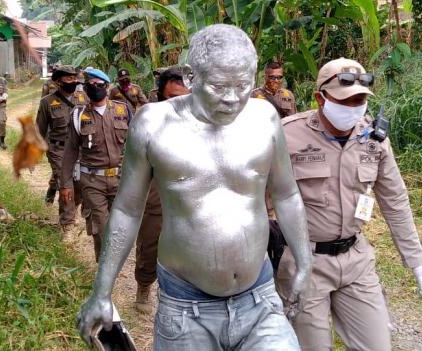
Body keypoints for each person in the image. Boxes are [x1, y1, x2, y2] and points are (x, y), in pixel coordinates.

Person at [75, 24, 312, 350]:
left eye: (243, 85)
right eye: (218, 86)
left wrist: (304, 260)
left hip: (260, 299)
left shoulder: (264, 118)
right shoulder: (153, 124)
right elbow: (129, 209)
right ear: (190, 77)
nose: (232, 98)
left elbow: (286, 194)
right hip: (186, 308)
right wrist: (102, 292)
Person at [276, 57, 422, 351]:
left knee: (376, 345)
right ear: (320, 98)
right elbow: (259, 200)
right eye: (345, 100)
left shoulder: (373, 139)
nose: (353, 107)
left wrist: (416, 259)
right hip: (305, 260)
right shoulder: (286, 135)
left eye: (360, 100)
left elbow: (395, 200)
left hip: (356, 258)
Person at [133, 65, 191, 314]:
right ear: (159, 96)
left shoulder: (205, 119)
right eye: (171, 98)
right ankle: (144, 284)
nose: (178, 104)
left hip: (192, 187)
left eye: (184, 98)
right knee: (151, 240)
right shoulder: (148, 121)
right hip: (157, 187)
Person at [60, 67, 131, 260]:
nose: (93, 87)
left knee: (119, 226)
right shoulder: (78, 115)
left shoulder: (122, 110)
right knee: (100, 226)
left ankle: (114, 262)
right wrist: (65, 184)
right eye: (89, 84)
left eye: (97, 84)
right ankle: (104, 267)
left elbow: (136, 144)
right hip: (92, 180)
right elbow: (70, 151)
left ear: (106, 86)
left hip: (120, 179)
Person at [36, 65, 87, 241]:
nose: (72, 81)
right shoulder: (47, 102)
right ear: (58, 81)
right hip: (58, 150)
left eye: (74, 78)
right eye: (68, 78)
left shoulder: (83, 98)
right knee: (66, 186)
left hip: (80, 150)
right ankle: (68, 226)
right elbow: (40, 130)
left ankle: (71, 211)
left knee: (79, 185)